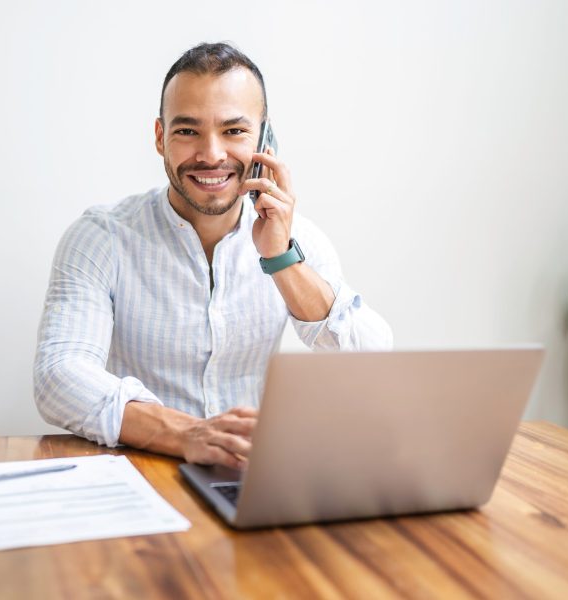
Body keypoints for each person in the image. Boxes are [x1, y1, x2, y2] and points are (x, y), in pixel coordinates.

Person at [34, 42, 392, 470]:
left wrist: (280, 259)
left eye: (234, 131)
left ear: (265, 138)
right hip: (143, 472)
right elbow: (59, 376)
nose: (212, 154)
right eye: (187, 131)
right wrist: (187, 434)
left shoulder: (298, 239)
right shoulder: (101, 238)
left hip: (251, 476)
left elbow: (371, 359)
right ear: (159, 137)